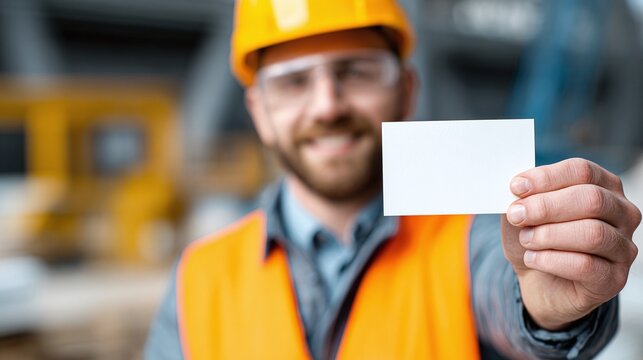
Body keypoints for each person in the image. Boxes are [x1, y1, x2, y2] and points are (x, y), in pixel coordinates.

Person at [145, 0, 641, 359]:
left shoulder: (469, 243)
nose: (327, 105)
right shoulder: (199, 279)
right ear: (259, 113)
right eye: (294, 81)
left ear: (407, 91)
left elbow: (512, 296)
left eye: (356, 71)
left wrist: (551, 308)